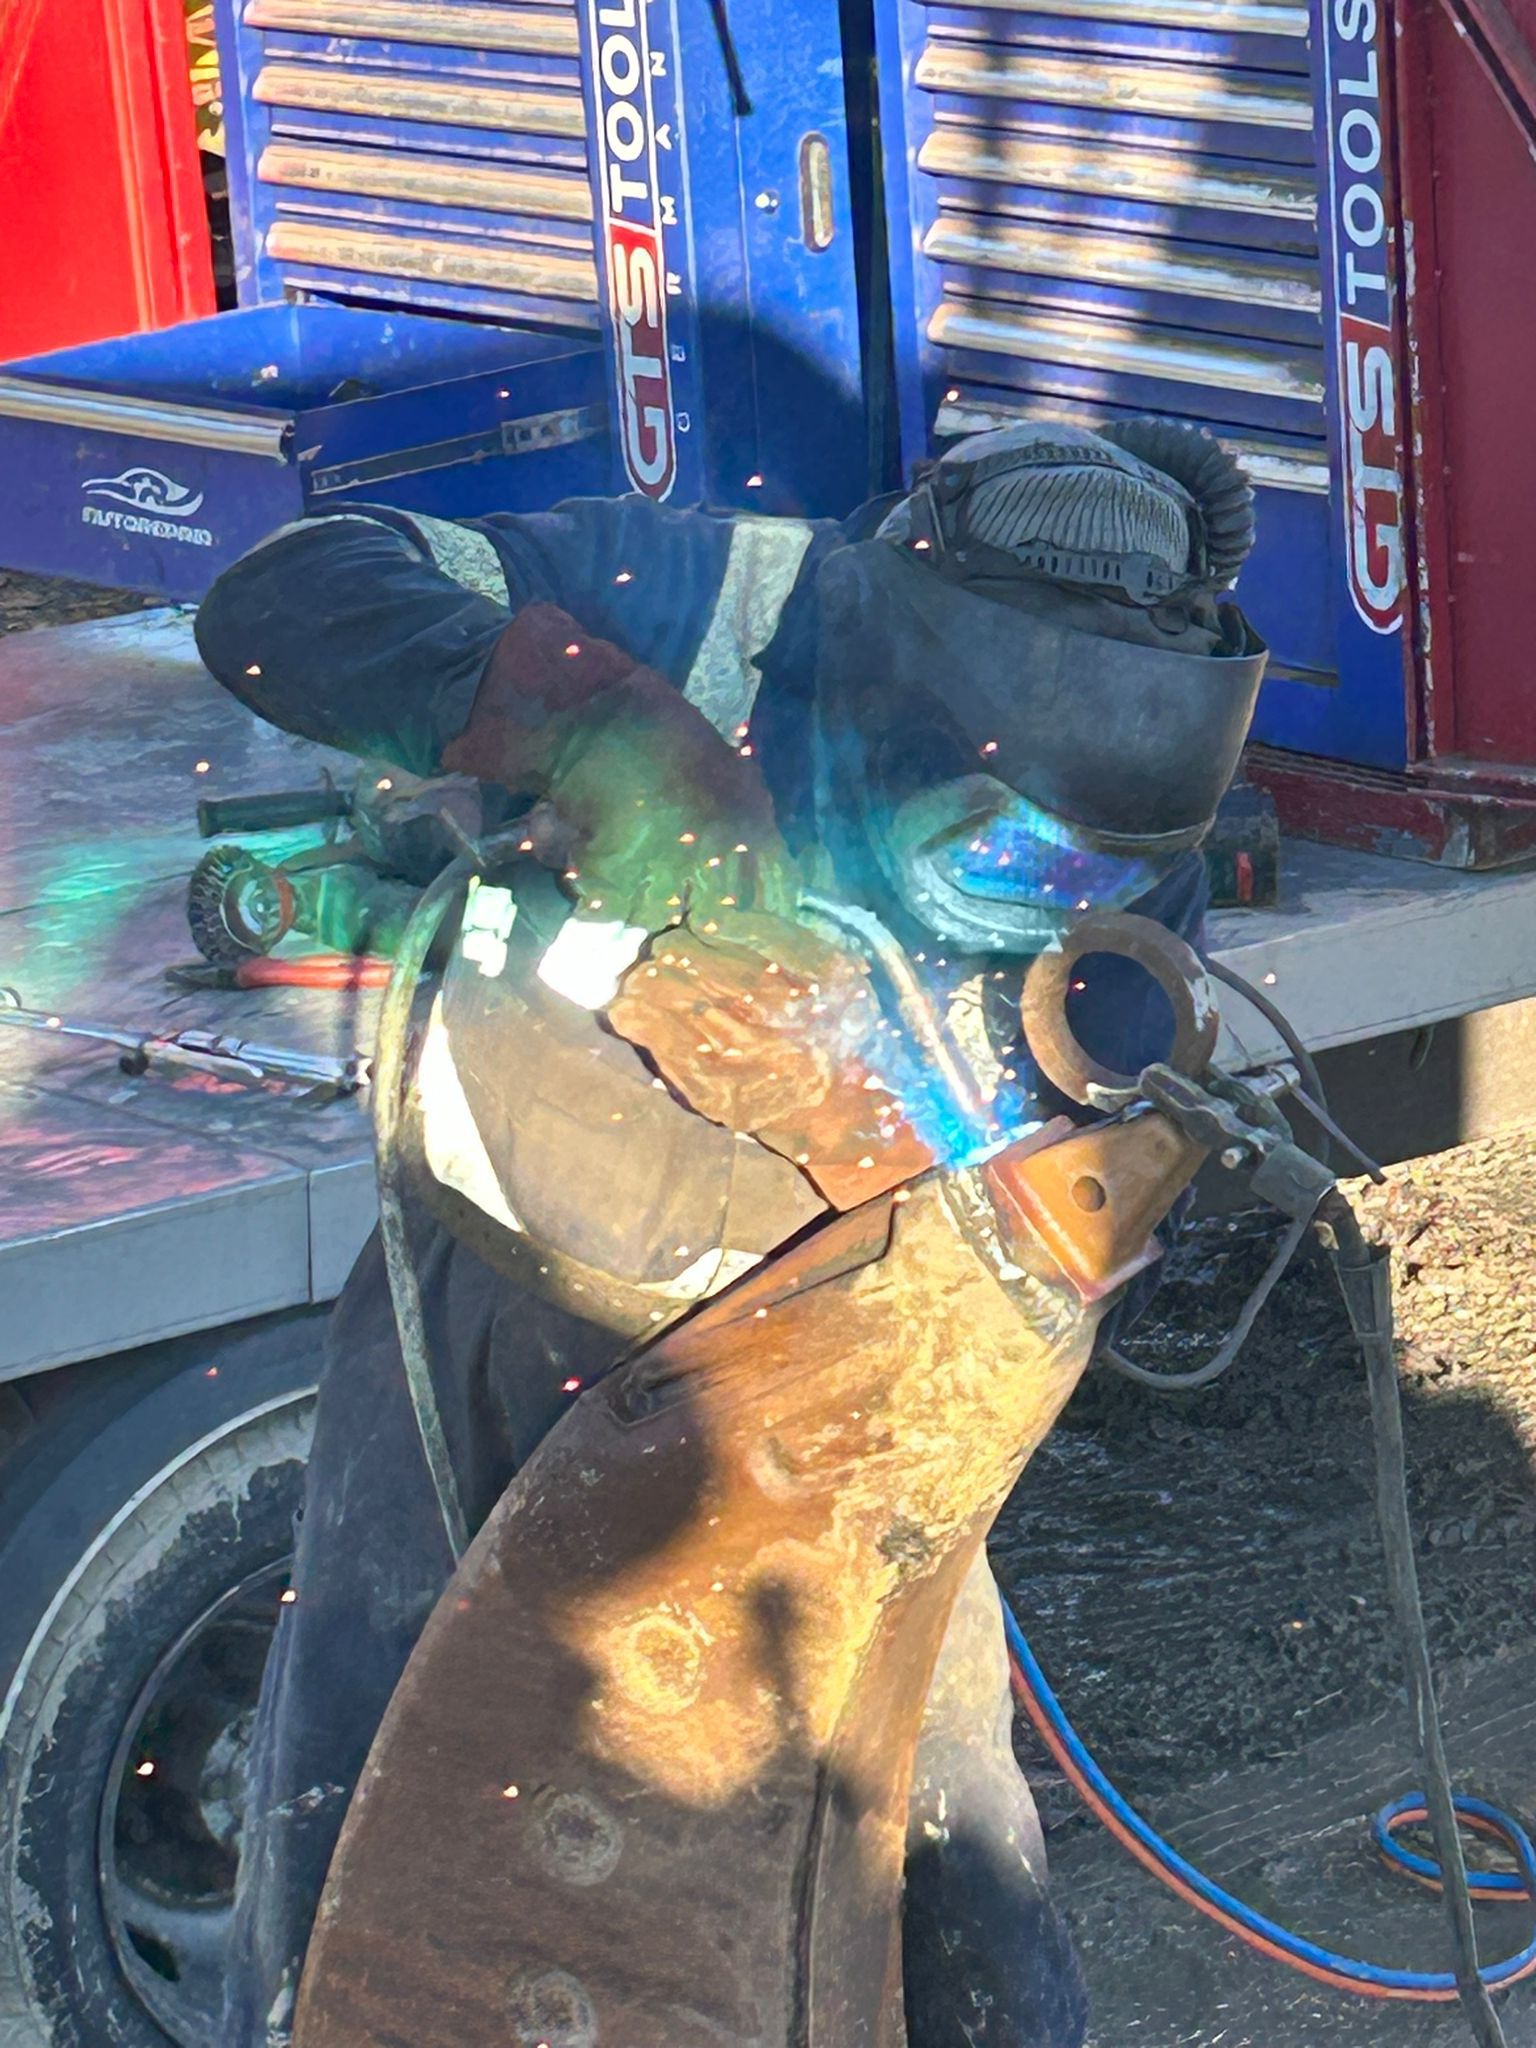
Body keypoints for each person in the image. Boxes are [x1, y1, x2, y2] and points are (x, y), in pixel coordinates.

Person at [195, 417, 1267, 2048]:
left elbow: (1078, 1193)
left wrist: (881, 1118)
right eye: (998, 844)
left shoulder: (1127, 822)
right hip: (498, 1331)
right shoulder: (706, 596)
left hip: (851, 1408)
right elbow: (285, 597)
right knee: (375, 1869)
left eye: (1068, 865)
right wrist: (599, 732)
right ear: (899, 666)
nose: (1029, 893)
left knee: (934, 1904)